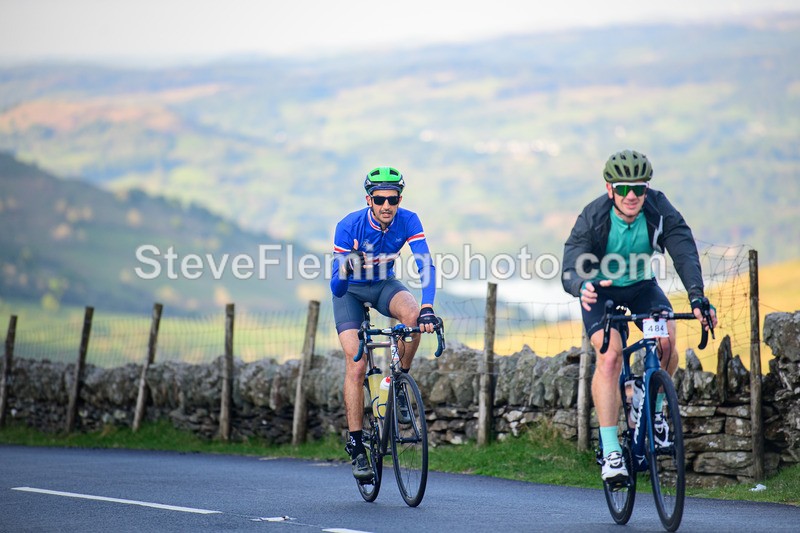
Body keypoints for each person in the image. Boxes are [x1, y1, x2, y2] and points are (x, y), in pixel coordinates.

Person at [561, 149, 718, 483]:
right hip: (599, 290)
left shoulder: (658, 208)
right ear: (610, 189)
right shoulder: (594, 216)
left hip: (641, 287)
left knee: (665, 343)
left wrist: (697, 297)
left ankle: (651, 408)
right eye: (623, 189)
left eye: (639, 188)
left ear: (647, 189)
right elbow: (571, 262)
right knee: (610, 356)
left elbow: (683, 249)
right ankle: (611, 452)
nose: (631, 196)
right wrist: (580, 285)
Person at [330, 166, 439, 481]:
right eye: (380, 199)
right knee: (356, 363)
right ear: (369, 200)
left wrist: (429, 307)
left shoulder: (408, 220)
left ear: (399, 199)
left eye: (393, 199)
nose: (387, 205)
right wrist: (347, 269)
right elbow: (335, 287)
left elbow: (425, 263)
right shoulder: (348, 227)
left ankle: (399, 384)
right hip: (349, 292)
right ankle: (356, 444)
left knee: (414, 319)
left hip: (383, 283)